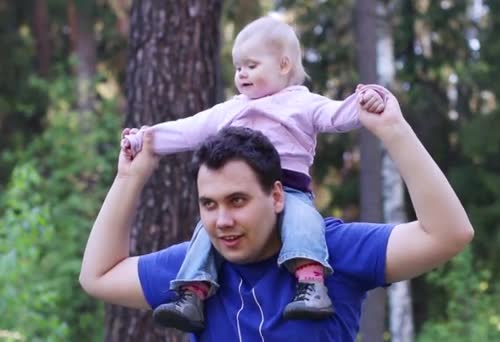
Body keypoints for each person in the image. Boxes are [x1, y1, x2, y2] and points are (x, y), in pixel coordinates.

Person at [79, 91, 474, 341]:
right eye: (209, 204)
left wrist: (393, 131)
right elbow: (98, 276)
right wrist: (129, 178)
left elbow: (448, 234)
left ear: (277, 195)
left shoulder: (331, 249)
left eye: (238, 200)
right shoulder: (194, 270)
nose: (222, 221)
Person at [120, 16, 389, 331]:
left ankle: (311, 285)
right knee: (204, 234)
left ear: (284, 65)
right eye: (237, 68)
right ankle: (191, 294)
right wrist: (144, 139)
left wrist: (365, 103)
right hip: (243, 195)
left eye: (251, 65)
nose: (241, 74)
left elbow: (335, 116)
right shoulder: (230, 110)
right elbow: (187, 130)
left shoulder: (301, 103)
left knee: (304, 223)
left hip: (290, 191)